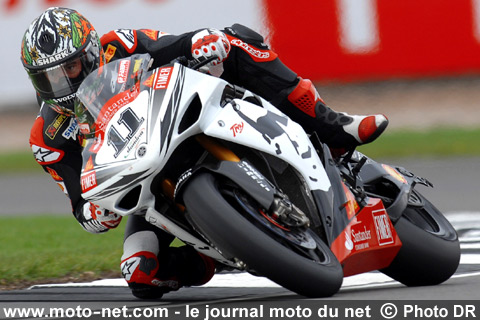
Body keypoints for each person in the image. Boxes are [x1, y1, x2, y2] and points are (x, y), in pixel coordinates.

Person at [21, 7, 388, 299]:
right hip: (149, 187)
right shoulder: (47, 138)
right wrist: (95, 211)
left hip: (180, 122)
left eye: (67, 68)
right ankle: (220, 250)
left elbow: (175, 45)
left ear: (90, 52)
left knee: (237, 40)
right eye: (47, 78)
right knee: (140, 270)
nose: (61, 84)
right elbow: (79, 203)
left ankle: (331, 126)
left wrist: (200, 42)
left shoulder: (119, 44)